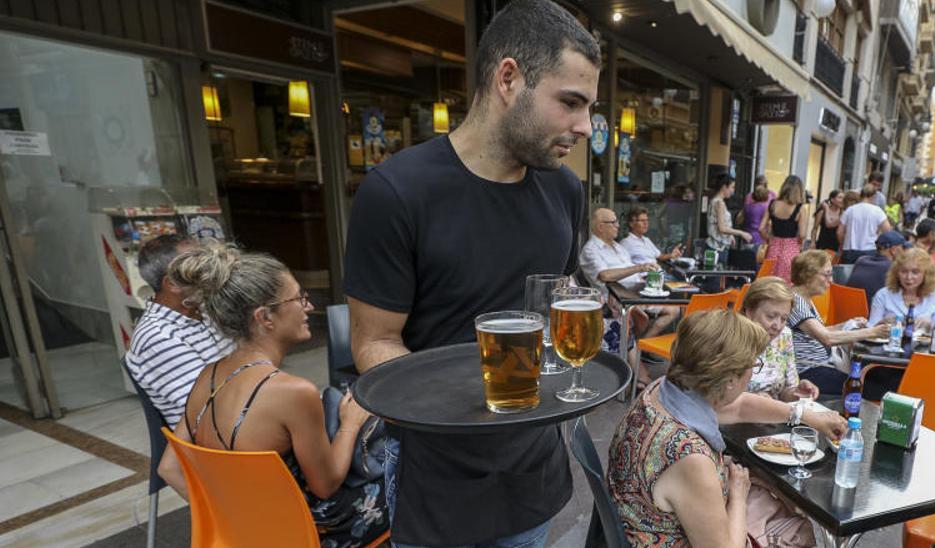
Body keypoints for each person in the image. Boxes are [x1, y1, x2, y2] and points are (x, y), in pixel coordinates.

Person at [343, 2, 599, 544]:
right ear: (509, 78)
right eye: (570, 103)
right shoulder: (397, 191)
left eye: (589, 107)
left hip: (536, 477)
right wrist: (466, 405)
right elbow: (375, 344)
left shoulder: (564, 190)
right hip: (439, 483)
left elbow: (559, 304)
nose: (584, 127)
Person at [156, 243, 388, 547]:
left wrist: (237, 523)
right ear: (265, 317)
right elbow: (326, 485)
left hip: (258, 528)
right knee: (407, 474)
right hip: (314, 529)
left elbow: (168, 468)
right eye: (298, 298)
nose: (308, 306)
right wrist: (350, 423)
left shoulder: (207, 377)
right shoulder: (291, 392)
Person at [608, 309, 847, 547]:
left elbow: (739, 407)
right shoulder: (690, 456)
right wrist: (738, 496)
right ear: (730, 380)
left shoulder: (665, 389)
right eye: (754, 363)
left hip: (640, 519)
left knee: (774, 497)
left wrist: (804, 414)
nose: (755, 369)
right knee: (797, 527)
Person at [125, 234, 235, 428]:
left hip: (240, 415)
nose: (211, 271)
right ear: (173, 284)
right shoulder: (158, 337)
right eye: (200, 267)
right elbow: (211, 408)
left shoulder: (203, 309)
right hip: (215, 438)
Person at [788, 250, 891, 394]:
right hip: (807, 372)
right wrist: (873, 332)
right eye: (827, 274)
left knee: (877, 379)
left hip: (820, 365)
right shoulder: (796, 303)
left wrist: (846, 324)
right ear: (807, 275)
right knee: (873, 387)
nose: (831, 280)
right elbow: (827, 338)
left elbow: (819, 332)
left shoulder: (803, 299)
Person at [581, 208, 677, 348]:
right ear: (601, 226)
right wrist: (639, 268)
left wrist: (645, 280)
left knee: (673, 310)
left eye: (617, 222)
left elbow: (634, 270)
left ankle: (640, 348)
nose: (618, 226)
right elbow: (604, 275)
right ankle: (637, 351)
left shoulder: (618, 247)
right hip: (617, 298)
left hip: (638, 292)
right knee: (641, 318)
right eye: (613, 222)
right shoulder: (591, 250)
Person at [742, 276, 820, 401]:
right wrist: (752, 400)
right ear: (749, 311)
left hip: (774, 414)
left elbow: (784, 393)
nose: (777, 326)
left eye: (784, 319)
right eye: (771, 316)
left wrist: (797, 392)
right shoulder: (730, 338)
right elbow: (715, 397)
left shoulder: (784, 336)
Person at [867, 248, 935, 332]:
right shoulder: (883, 295)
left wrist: (930, 324)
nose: (908, 277)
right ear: (897, 273)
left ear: (926, 274)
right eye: (904, 271)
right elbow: (871, 329)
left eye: (915, 272)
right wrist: (882, 324)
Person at [761, 176, 809, 282]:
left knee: (769, 282)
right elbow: (802, 234)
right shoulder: (801, 208)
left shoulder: (772, 204)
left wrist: (769, 239)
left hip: (773, 248)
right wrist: (799, 244)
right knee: (787, 285)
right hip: (791, 250)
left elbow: (761, 228)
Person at [847, 231, 910, 301]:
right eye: (903, 248)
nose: (905, 252)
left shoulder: (861, 260)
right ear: (894, 250)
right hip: (873, 310)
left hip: (848, 307)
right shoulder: (892, 268)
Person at [838, 186, 892, 265]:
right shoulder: (877, 211)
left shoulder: (850, 210)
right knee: (866, 276)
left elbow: (839, 232)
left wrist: (843, 244)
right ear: (873, 197)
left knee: (847, 276)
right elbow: (887, 231)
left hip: (849, 250)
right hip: (869, 250)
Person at [706, 173, 753, 253]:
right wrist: (741, 233)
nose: (732, 191)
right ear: (724, 187)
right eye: (732, 187)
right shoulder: (719, 203)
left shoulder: (714, 201)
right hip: (718, 248)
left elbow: (719, 225)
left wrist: (730, 235)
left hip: (716, 246)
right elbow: (722, 228)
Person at [738, 175, 775, 247]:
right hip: (760, 238)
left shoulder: (747, 206)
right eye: (759, 184)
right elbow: (768, 223)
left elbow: (740, 219)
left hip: (748, 236)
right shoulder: (766, 207)